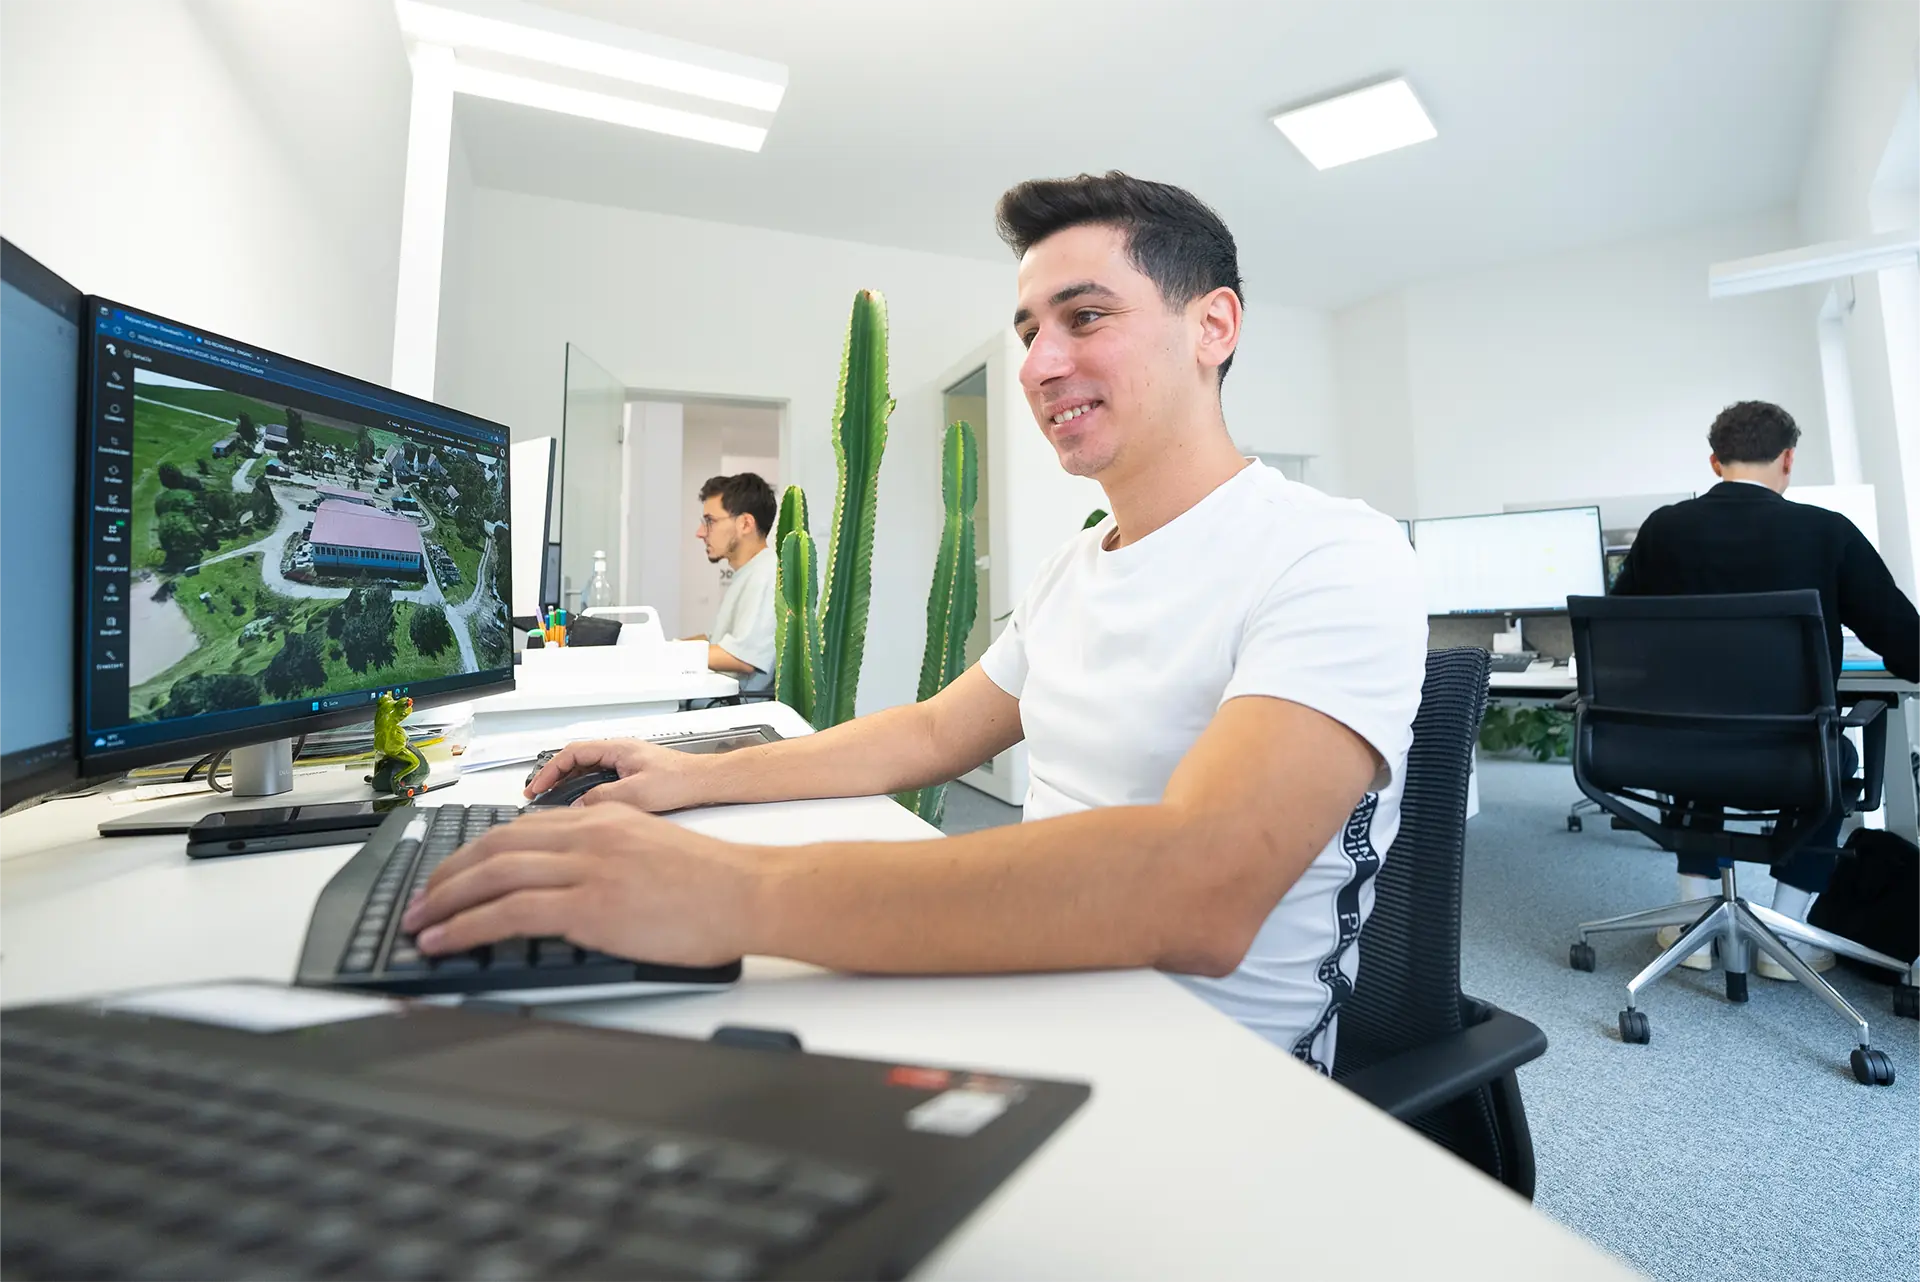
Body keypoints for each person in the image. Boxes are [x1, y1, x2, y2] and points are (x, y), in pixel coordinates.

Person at [403, 172, 1426, 1068]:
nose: (1037, 364)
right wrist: (687, 774)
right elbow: (935, 732)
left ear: (1213, 327)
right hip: (1030, 978)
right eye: (1029, 332)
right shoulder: (1075, 568)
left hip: (1210, 1071)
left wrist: (727, 891)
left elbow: (1200, 889)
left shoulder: (1332, 556)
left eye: (1084, 318)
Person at [1611, 399, 1920, 977]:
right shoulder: (1827, 531)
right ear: (1788, 459)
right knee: (1833, 754)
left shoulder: (1663, 529)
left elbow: (1617, 633)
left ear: (1715, 462)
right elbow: (1903, 639)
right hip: (1794, 758)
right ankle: (1786, 935)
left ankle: (1692, 930)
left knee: (1699, 742)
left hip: (1680, 753)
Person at [685, 473, 778, 696]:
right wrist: (667, 645)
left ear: (745, 523)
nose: (700, 533)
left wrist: (667, 655)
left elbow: (742, 657)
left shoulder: (766, 574)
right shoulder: (749, 572)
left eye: (710, 521)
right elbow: (716, 641)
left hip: (734, 707)